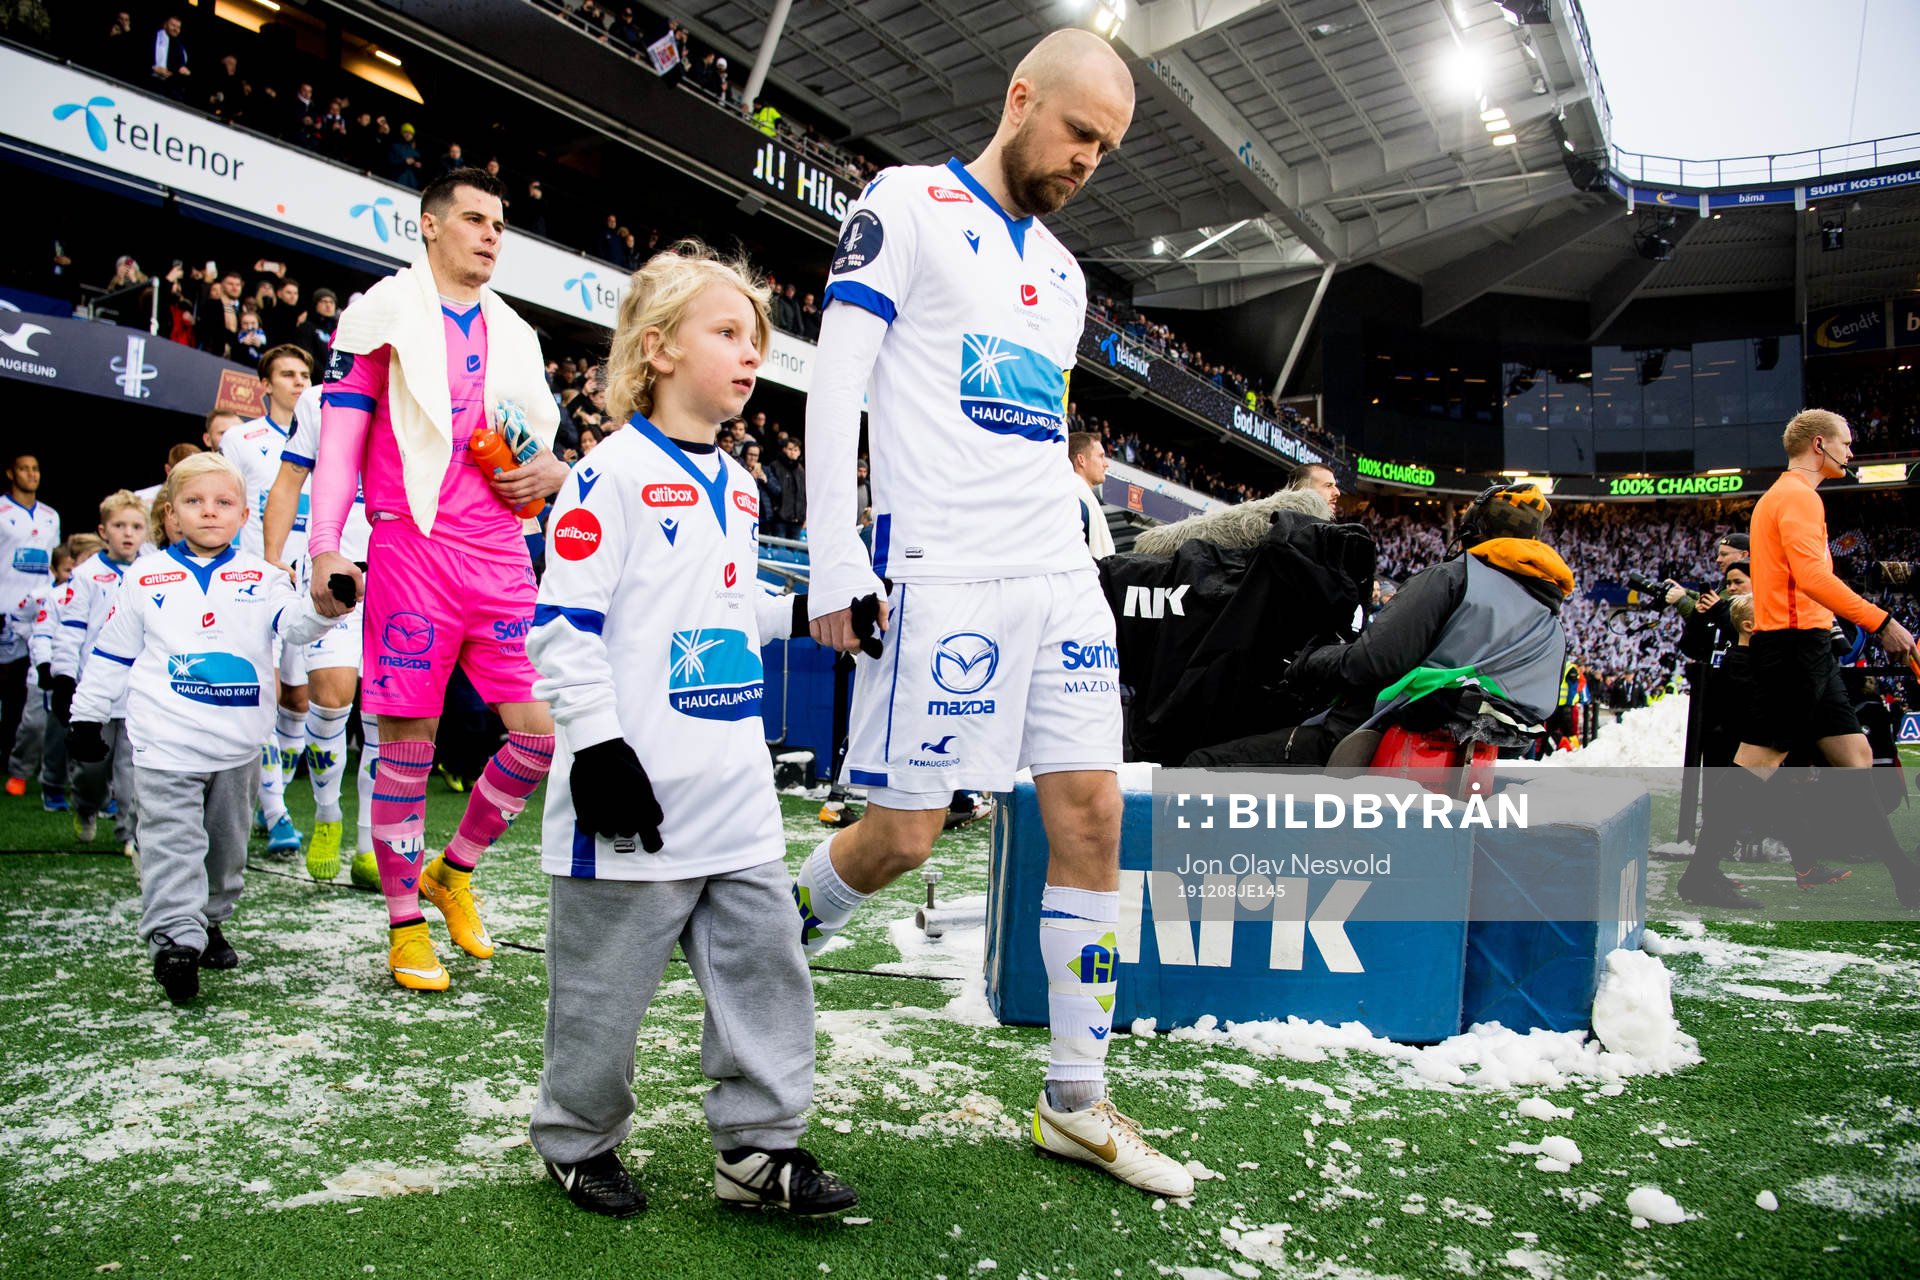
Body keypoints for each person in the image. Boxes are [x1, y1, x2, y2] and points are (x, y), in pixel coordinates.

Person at [797, 29, 1190, 1196]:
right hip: (944, 573)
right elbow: (836, 376)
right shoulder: (906, 204)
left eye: (1106, 149)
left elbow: (1032, 432)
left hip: (1057, 575)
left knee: (1093, 817)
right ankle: (764, 931)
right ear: (1021, 98)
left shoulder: (1064, 276)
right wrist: (833, 553)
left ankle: (1075, 1096)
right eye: (1079, 133)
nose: (1088, 162)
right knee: (902, 837)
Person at [526, 243, 857, 1220]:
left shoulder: (742, 485)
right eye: (728, 333)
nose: (753, 353)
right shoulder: (608, 476)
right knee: (602, 993)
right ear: (659, 348)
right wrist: (597, 745)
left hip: (735, 793)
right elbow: (563, 627)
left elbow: (727, 607)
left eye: (756, 338)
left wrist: (808, 615)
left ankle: (758, 1149)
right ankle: (577, 1139)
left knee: (767, 969)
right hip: (633, 794)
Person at [309, 166, 567, 991]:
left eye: (500, 225)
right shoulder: (379, 314)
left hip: (501, 551)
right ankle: (403, 926)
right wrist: (325, 545)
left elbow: (533, 446)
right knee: (407, 749)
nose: (491, 236)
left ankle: (451, 872)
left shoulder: (515, 333)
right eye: (475, 220)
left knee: (539, 736)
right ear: (428, 225)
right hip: (412, 548)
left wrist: (552, 469)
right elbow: (340, 440)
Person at [68, 453, 331, 1004]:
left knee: (226, 851)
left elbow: (296, 625)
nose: (209, 511)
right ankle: (175, 944)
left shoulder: (264, 577)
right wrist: (86, 716)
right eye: (194, 501)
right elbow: (112, 654)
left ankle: (209, 921)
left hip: (238, 748)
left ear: (244, 515)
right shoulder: (144, 577)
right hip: (164, 745)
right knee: (170, 845)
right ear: (170, 515)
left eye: (223, 502)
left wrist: (330, 605)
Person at [1691, 409, 1920, 908]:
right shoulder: (1798, 496)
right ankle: (1700, 874)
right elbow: (1813, 578)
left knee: (1855, 756)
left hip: (1805, 645)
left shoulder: (1783, 496)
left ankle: (1904, 875)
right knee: (1759, 760)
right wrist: (1882, 622)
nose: (1851, 452)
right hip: (1793, 647)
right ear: (1820, 444)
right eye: (1846, 442)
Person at [1190, 483, 1572, 769]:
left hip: (1368, 745)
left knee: (1201, 764)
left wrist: (1306, 662)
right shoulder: (1549, 621)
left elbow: (1372, 661)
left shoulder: (1452, 579)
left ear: (1475, 529)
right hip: (1451, 771)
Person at [266, 384, 377, 885]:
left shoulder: (426, 389)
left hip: (405, 571)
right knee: (331, 699)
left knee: (386, 713)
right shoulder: (319, 399)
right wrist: (272, 558)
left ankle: (369, 842)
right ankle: (327, 814)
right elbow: (289, 480)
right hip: (334, 569)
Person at [222, 343, 314, 856]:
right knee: (266, 696)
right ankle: (278, 813)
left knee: (299, 702)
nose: (299, 382)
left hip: (312, 584)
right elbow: (228, 507)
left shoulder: (324, 435)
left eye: (305, 374)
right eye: (288, 374)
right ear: (266, 385)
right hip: (259, 585)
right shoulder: (241, 439)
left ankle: (268, 796)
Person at [48, 492, 150, 853]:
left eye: (136, 526)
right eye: (120, 525)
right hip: (98, 691)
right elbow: (70, 630)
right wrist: (64, 678)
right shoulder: (86, 575)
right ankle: (86, 806)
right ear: (103, 531)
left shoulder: (154, 571)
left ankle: (130, 833)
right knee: (93, 769)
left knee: (133, 770)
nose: (128, 533)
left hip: (140, 693)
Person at [0, 452, 60, 776]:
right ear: (11, 473)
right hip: (4, 609)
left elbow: (52, 562)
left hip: (37, 613)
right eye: (24, 469)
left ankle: (20, 757)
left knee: (27, 690)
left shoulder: (51, 515)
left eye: (35, 468)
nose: (32, 474)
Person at [1067, 431, 1114, 559]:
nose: (1106, 464)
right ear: (1081, 460)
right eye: (1101, 456)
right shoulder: (1076, 502)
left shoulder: (1076, 495)